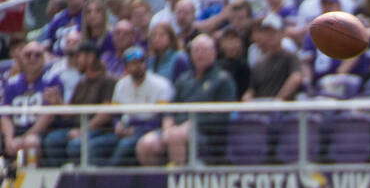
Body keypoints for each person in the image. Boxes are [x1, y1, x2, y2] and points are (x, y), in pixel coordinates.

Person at [135, 34, 236, 166]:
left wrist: (191, 123)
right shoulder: (184, 79)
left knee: (176, 136)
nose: (200, 54)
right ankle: (156, 184)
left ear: (214, 52)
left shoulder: (223, 79)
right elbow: (171, 108)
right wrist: (167, 125)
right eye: (196, 50)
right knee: (146, 144)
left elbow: (222, 116)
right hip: (177, 129)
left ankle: (178, 181)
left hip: (207, 135)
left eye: (204, 50)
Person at [42, 42, 117, 167]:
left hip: (101, 130)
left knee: (76, 145)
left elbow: (105, 114)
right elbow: (72, 112)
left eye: (78, 57)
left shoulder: (108, 81)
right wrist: (58, 103)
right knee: (52, 140)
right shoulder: (81, 83)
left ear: (90, 57)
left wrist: (83, 130)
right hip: (77, 127)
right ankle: (62, 176)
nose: (76, 62)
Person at [108, 46, 175, 166]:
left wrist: (137, 130)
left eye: (140, 62)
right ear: (126, 67)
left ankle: (107, 179)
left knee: (125, 146)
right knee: (95, 144)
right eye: (132, 64)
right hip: (127, 128)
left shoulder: (161, 84)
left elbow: (164, 117)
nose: (136, 66)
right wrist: (117, 125)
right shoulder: (121, 85)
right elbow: (115, 114)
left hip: (152, 129)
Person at [1, 41, 63, 163]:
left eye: (37, 55)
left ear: (44, 59)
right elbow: (5, 115)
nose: (32, 58)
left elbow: (48, 115)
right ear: (21, 58)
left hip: (41, 131)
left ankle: (29, 176)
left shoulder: (51, 80)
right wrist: (9, 138)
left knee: (31, 142)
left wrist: (23, 138)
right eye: (28, 55)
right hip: (15, 130)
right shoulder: (11, 83)